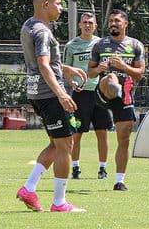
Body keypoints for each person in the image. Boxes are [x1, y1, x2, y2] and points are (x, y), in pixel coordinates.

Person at [17, 0, 88, 213]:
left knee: (56, 144)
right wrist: (62, 93)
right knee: (67, 144)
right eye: (58, 4)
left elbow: (44, 63)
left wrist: (65, 69)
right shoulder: (42, 31)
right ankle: (59, 203)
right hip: (49, 95)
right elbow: (43, 64)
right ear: (45, 5)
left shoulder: (29, 25)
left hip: (37, 92)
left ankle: (29, 188)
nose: (61, 8)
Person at [88, 8, 146, 192]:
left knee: (124, 138)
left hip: (126, 95)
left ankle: (119, 181)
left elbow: (140, 74)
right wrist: (99, 69)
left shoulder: (135, 45)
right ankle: (117, 88)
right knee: (111, 78)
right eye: (111, 21)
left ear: (125, 24)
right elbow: (90, 72)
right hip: (104, 92)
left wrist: (124, 67)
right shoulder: (100, 45)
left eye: (117, 21)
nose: (113, 24)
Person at [63, 11, 111, 180]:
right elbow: (65, 69)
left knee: (102, 132)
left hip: (100, 93)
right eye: (85, 22)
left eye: (91, 22)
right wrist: (72, 82)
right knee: (77, 133)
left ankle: (102, 168)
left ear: (95, 26)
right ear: (80, 25)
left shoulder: (103, 44)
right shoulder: (71, 45)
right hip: (80, 94)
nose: (88, 25)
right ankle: (75, 167)